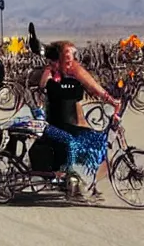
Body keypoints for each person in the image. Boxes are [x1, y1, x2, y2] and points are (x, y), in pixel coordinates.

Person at [34, 41, 121, 195]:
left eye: (72, 56)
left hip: (73, 117)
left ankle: (83, 182)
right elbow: (43, 85)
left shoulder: (73, 69)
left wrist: (111, 100)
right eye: (67, 56)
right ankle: (73, 181)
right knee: (74, 146)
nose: (70, 59)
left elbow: (93, 85)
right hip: (58, 119)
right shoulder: (51, 71)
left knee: (92, 146)